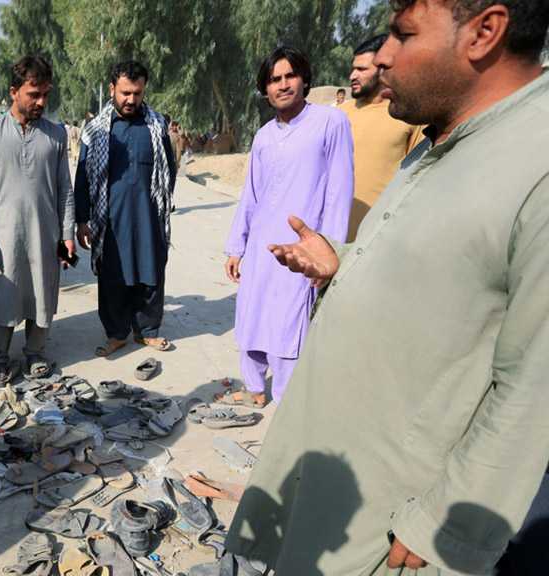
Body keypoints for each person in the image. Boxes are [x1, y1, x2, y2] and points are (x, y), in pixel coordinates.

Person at [226, 0, 549, 573]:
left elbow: (534, 384)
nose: (382, 58)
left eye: (402, 35)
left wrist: (449, 520)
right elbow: (438, 272)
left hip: (397, 507)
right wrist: (343, 261)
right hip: (336, 462)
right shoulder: (442, 137)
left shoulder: (537, 163)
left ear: (485, 32)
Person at [220, 46, 353, 407]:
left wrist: (330, 250)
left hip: (301, 248)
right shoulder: (263, 135)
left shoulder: (331, 123)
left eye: (289, 76)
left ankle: (286, 400)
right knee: (251, 315)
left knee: (289, 322)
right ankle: (254, 388)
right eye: (273, 79)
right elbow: (251, 195)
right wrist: (237, 246)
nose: (282, 85)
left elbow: (340, 191)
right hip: (262, 245)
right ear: (265, 89)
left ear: (304, 79)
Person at [0, 55, 75, 383]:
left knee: (42, 293)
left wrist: (67, 233)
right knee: (2, 293)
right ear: (14, 91)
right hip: (3, 235)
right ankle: (0, 358)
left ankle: (35, 353)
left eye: (46, 94)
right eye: (34, 94)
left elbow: (65, 190)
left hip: (45, 233)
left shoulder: (56, 135)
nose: (41, 101)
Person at [74, 61, 176, 358]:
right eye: (125, 93)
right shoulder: (96, 130)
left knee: (151, 271)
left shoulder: (156, 125)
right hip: (110, 219)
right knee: (113, 275)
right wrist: (82, 219)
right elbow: (82, 178)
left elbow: (168, 169)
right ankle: (117, 333)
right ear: (112, 89)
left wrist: (163, 205)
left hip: (149, 215)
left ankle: (147, 331)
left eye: (137, 93)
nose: (131, 100)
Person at [339, 34, 426, 240]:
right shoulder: (338, 115)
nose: (352, 75)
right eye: (353, 68)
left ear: (382, 68)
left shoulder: (407, 116)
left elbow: (419, 177)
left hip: (378, 238)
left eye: (361, 69)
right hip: (332, 238)